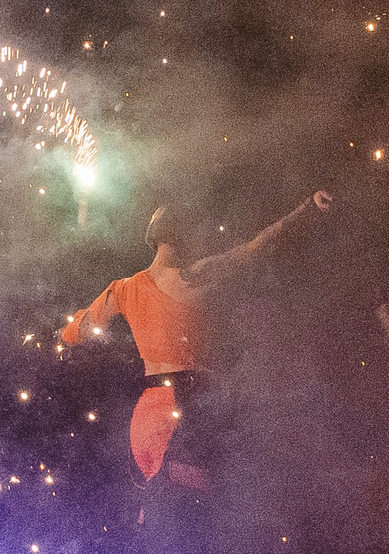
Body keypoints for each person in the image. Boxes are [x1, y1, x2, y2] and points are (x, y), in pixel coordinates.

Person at [60, 191, 332, 489]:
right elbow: (256, 247)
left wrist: (61, 334)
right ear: (183, 236)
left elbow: (76, 333)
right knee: (202, 512)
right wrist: (305, 208)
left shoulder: (123, 289)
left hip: (150, 415)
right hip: (189, 409)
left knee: (157, 511)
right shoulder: (195, 276)